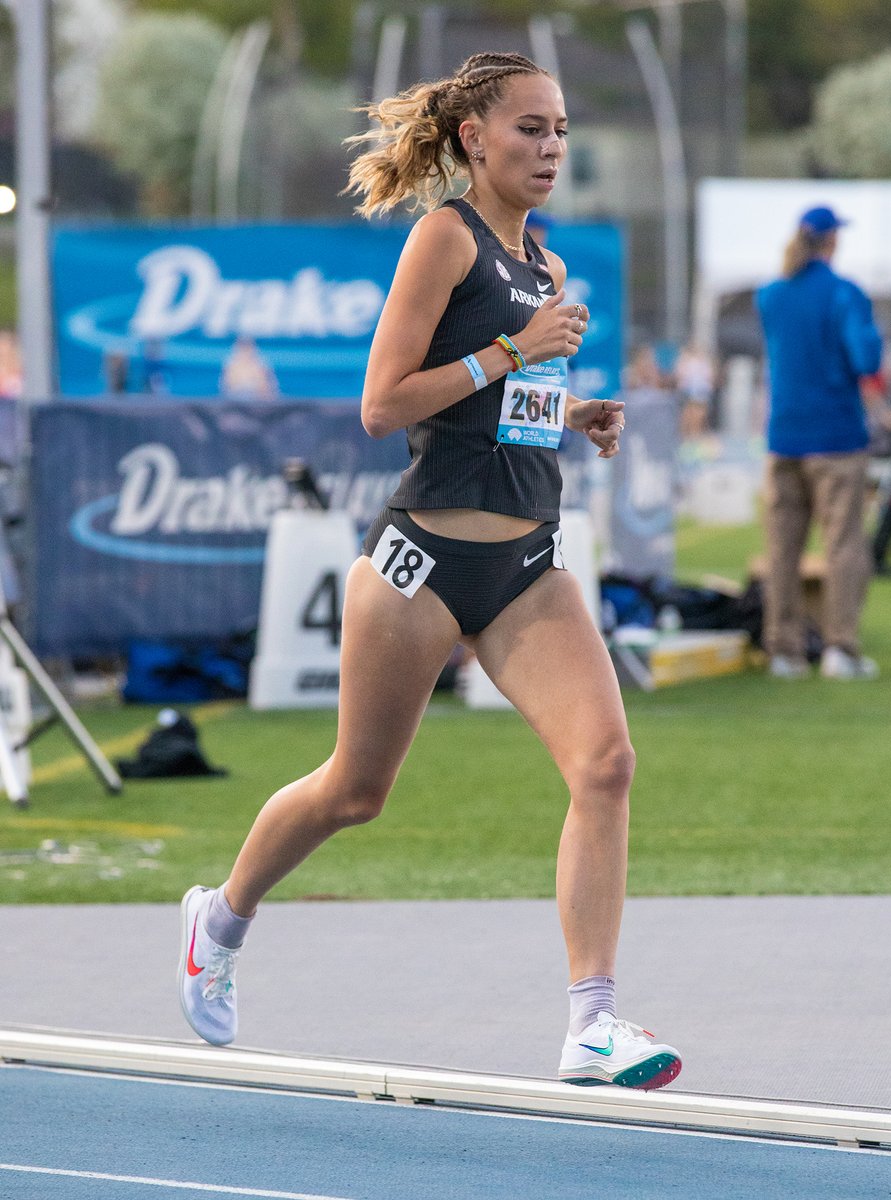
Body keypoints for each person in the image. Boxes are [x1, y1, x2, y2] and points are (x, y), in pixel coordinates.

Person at [178, 51, 682, 1091]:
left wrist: (569, 411)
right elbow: (381, 406)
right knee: (355, 792)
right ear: (472, 140)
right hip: (418, 565)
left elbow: (503, 415)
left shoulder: (543, 266)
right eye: (528, 130)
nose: (548, 149)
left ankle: (591, 1023)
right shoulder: (441, 239)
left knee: (606, 765)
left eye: (559, 132)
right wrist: (511, 352)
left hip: (526, 565)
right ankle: (219, 922)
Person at [757, 205, 883, 680]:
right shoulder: (845, 293)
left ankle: (784, 651)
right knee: (844, 544)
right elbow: (866, 357)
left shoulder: (772, 294)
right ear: (832, 241)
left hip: (784, 434)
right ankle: (840, 648)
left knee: (782, 548)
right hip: (836, 434)